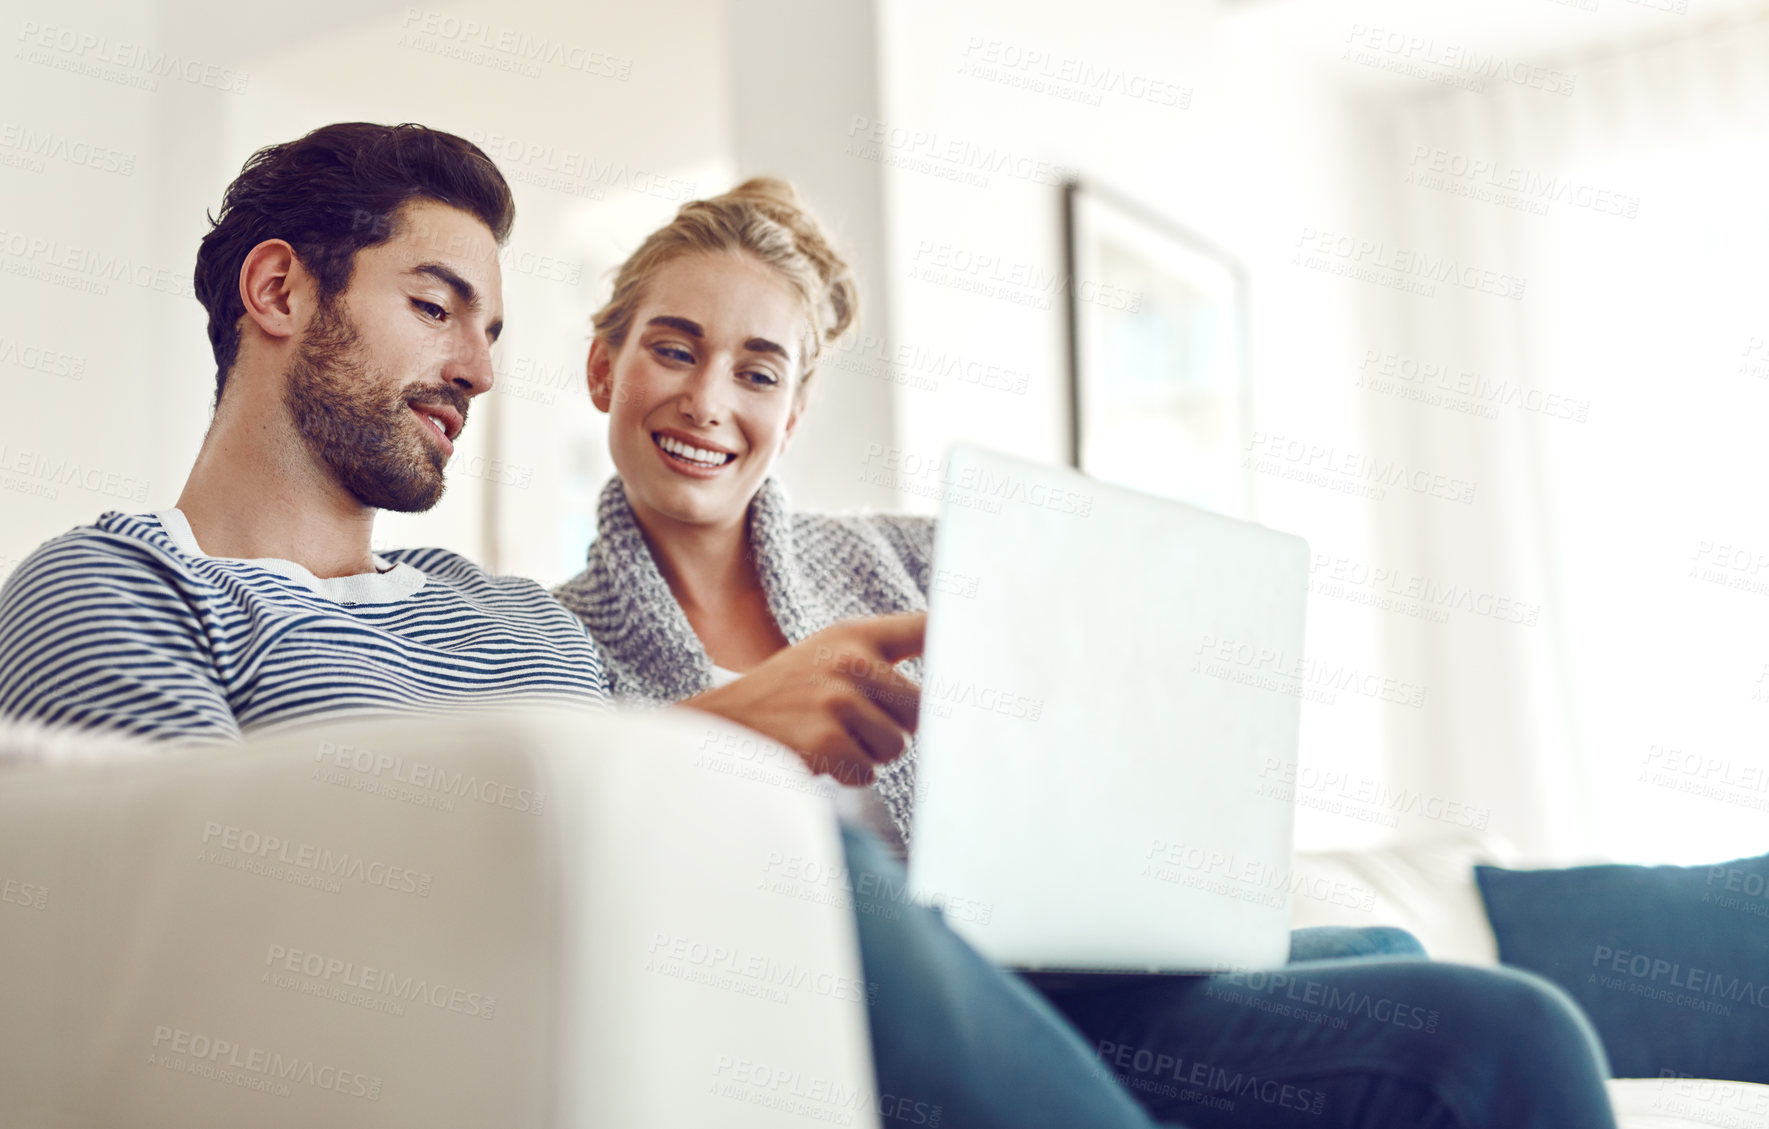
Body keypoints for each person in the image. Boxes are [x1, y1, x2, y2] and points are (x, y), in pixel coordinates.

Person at [0, 120, 1206, 1129]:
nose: (475, 366)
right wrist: (727, 733)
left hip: (729, 1023)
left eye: (491, 332)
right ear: (278, 292)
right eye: (437, 305)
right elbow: (199, 966)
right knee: (794, 856)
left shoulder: (512, 615)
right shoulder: (113, 587)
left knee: (1396, 1021)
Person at [551, 178, 1622, 1128]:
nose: (706, 401)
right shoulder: (536, 635)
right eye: (673, 349)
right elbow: (551, 853)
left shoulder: (923, 561)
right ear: (605, 368)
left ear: (791, 413)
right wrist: (739, 733)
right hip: (819, 1046)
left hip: (1059, 994)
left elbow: (1114, 728)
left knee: (1444, 993)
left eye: (757, 370)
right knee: (1465, 1033)